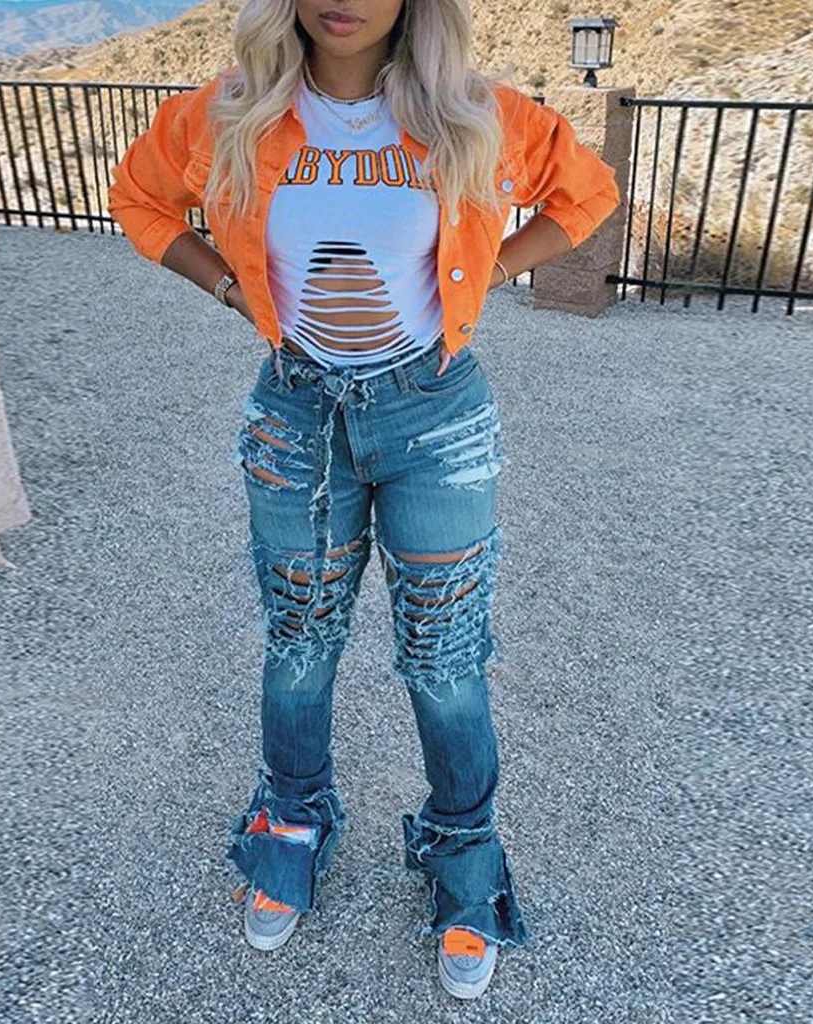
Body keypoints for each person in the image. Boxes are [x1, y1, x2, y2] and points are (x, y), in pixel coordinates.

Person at [107, 0, 620, 1000]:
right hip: (297, 415)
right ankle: (292, 822)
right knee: (299, 644)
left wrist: (489, 275)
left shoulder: (472, 111)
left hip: (436, 416)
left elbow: (585, 192)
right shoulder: (231, 110)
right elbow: (139, 199)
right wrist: (230, 289)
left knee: (445, 661)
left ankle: (464, 852)